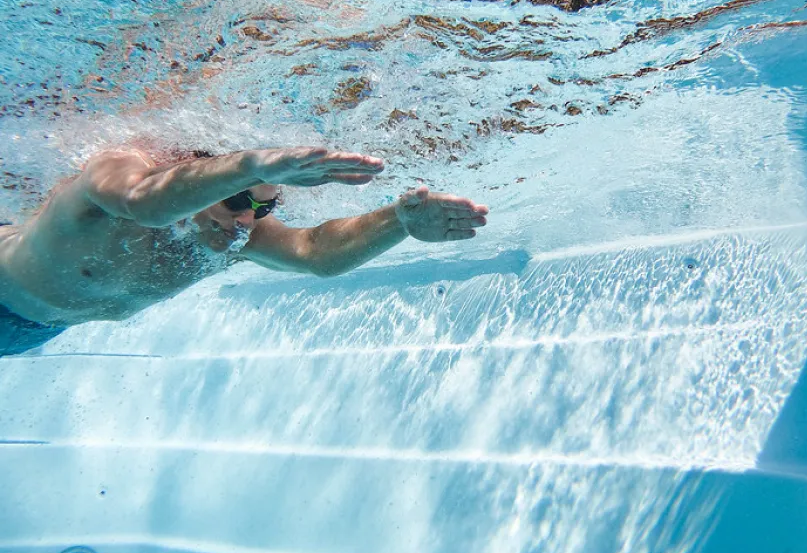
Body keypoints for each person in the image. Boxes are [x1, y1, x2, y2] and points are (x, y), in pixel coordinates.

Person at [0, 145, 489, 356]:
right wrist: (254, 166)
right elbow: (143, 202)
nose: (248, 218)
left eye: (263, 204)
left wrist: (397, 221)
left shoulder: (233, 238)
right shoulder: (119, 170)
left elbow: (316, 252)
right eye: (237, 198)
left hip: (32, 333)